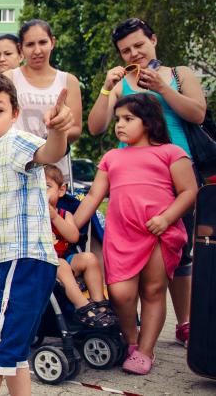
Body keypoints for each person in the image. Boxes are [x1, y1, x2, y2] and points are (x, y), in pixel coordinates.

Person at [87, 18, 207, 346]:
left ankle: (184, 323)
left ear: (153, 39)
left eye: (139, 45)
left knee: (180, 253)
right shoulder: (122, 82)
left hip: (178, 173)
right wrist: (106, 88)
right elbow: (96, 127)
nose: (134, 53)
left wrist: (163, 88)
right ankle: (136, 327)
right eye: (126, 50)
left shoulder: (180, 74)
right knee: (135, 253)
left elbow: (197, 113)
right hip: (134, 181)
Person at [0, 72, 72, 395]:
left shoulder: (13, 142)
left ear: (14, 114)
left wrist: (58, 131)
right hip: (18, 262)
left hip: (18, 261)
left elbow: (49, 153)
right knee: (13, 350)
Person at [73, 94, 197, 375]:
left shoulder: (171, 152)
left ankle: (145, 350)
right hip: (121, 235)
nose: (120, 125)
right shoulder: (111, 157)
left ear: (149, 122)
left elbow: (189, 191)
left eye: (128, 119)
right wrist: (71, 226)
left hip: (157, 233)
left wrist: (166, 219)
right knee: (120, 293)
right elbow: (94, 195)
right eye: (118, 120)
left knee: (153, 291)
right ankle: (131, 341)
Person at [4, 19, 82, 183]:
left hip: (55, 173)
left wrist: (56, 131)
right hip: (19, 168)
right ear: (21, 48)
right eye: (30, 44)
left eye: (43, 42)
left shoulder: (69, 80)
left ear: (52, 42)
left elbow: (76, 129)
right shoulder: (9, 78)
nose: (37, 50)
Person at [44, 165, 115, 328]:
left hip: (65, 259)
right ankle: (83, 307)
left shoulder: (64, 214)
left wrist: (54, 217)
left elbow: (73, 236)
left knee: (89, 258)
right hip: (44, 263)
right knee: (60, 264)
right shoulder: (29, 215)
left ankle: (100, 303)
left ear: (61, 191)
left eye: (47, 187)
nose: (42, 192)